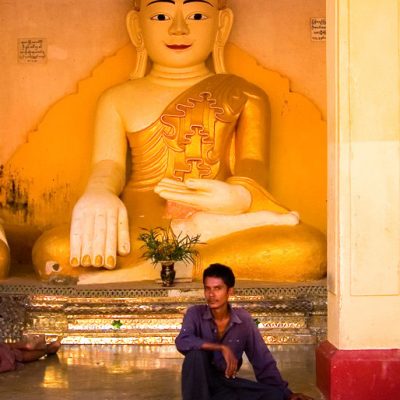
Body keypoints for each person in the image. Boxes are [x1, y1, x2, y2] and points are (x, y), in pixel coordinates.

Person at [32, 0, 326, 284]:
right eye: (161, 16)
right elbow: (108, 163)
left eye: (197, 16)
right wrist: (99, 192)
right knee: (54, 249)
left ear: (222, 25)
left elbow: (253, 162)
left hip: (218, 225)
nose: (179, 29)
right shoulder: (117, 98)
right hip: (139, 228)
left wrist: (240, 196)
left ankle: (175, 266)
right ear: (137, 27)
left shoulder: (245, 95)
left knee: (306, 249)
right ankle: (190, 265)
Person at [175, 263, 314, 400]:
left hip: (226, 385)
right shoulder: (195, 313)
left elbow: (262, 360)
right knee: (195, 355)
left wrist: (287, 394)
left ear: (230, 291)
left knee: (274, 395)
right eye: (207, 289)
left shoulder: (243, 319)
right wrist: (221, 347)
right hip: (199, 385)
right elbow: (183, 341)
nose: (211, 294)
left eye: (217, 288)